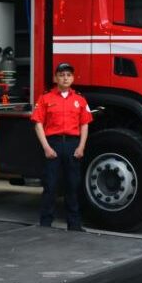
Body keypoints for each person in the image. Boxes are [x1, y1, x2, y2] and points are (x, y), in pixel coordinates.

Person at [31, 63, 93, 231]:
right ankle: (45, 223)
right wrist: (46, 148)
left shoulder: (80, 100)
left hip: (73, 145)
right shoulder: (46, 98)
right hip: (53, 144)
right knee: (50, 185)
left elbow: (85, 125)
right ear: (55, 78)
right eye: (61, 74)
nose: (65, 78)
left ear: (72, 78)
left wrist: (81, 147)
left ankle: (74, 224)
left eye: (68, 75)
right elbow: (38, 124)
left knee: (72, 186)